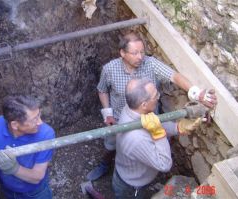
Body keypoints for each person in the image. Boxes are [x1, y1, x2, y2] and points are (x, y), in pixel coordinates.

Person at [86, 31, 217, 180]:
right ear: (122, 53)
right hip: (119, 120)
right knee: (112, 145)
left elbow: (174, 76)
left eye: (142, 52)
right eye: (134, 53)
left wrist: (197, 93)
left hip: (150, 119)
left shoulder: (150, 64)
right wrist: (107, 113)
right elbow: (102, 90)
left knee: (150, 145)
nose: (140, 57)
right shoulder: (109, 69)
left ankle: (143, 174)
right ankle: (105, 164)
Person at [112, 78, 201, 198]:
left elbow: (154, 122)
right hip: (131, 187)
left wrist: (178, 127)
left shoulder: (132, 109)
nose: (158, 96)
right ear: (144, 104)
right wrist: (159, 134)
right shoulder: (136, 138)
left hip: (128, 172)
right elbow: (164, 164)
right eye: (155, 95)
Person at [0, 95, 55, 199]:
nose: (40, 122)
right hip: (6, 189)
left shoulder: (46, 134)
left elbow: (37, 176)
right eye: (34, 119)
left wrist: (14, 168)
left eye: (39, 115)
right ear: (15, 125)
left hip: (35, 193)